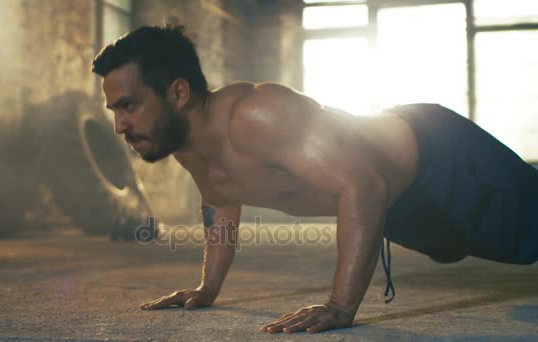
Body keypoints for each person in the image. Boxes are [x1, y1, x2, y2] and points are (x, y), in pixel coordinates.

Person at [91, 24, 538, 334]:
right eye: (115, 111)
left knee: (528, 240)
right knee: (471, 246)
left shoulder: (256, 114)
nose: (120, 125)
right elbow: (221, 204)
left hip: (436, 157)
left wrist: (340, 307)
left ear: (178, 92)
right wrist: (208, 288)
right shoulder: (191, 147)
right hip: (398, 212)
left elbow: (363, 186)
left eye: (129, 106)